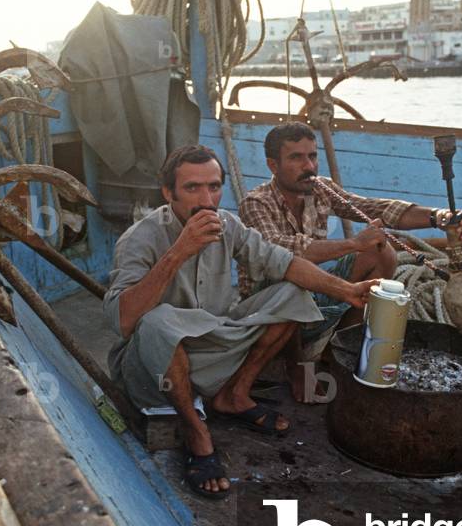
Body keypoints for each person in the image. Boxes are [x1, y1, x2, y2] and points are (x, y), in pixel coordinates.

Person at [103, 145, 377, 499]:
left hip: (213, 348)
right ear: (168, 193)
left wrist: (347, 291)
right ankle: (195, 430)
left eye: (214, 187)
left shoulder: (227, 225)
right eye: (192, 188)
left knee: (291, 293)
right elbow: (124, 322)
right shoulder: (140, 238)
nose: (206, 199)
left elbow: (283, 261)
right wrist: (178, 252)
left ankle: (235, 394)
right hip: (154, 367)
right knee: (157, 321)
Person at [239, 121, 462, 402]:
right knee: (293, 280)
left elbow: (373, 208)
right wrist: (352, 244)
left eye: (312, 156)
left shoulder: (321, 188)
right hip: (266, 308)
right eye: (296, 158)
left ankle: (335, 350)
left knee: (382, 252)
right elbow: (282, 252)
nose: (309, 166)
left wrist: (437, 217)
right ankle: (296, 367)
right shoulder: (255, 202)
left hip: (307, 294)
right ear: (273, 165)